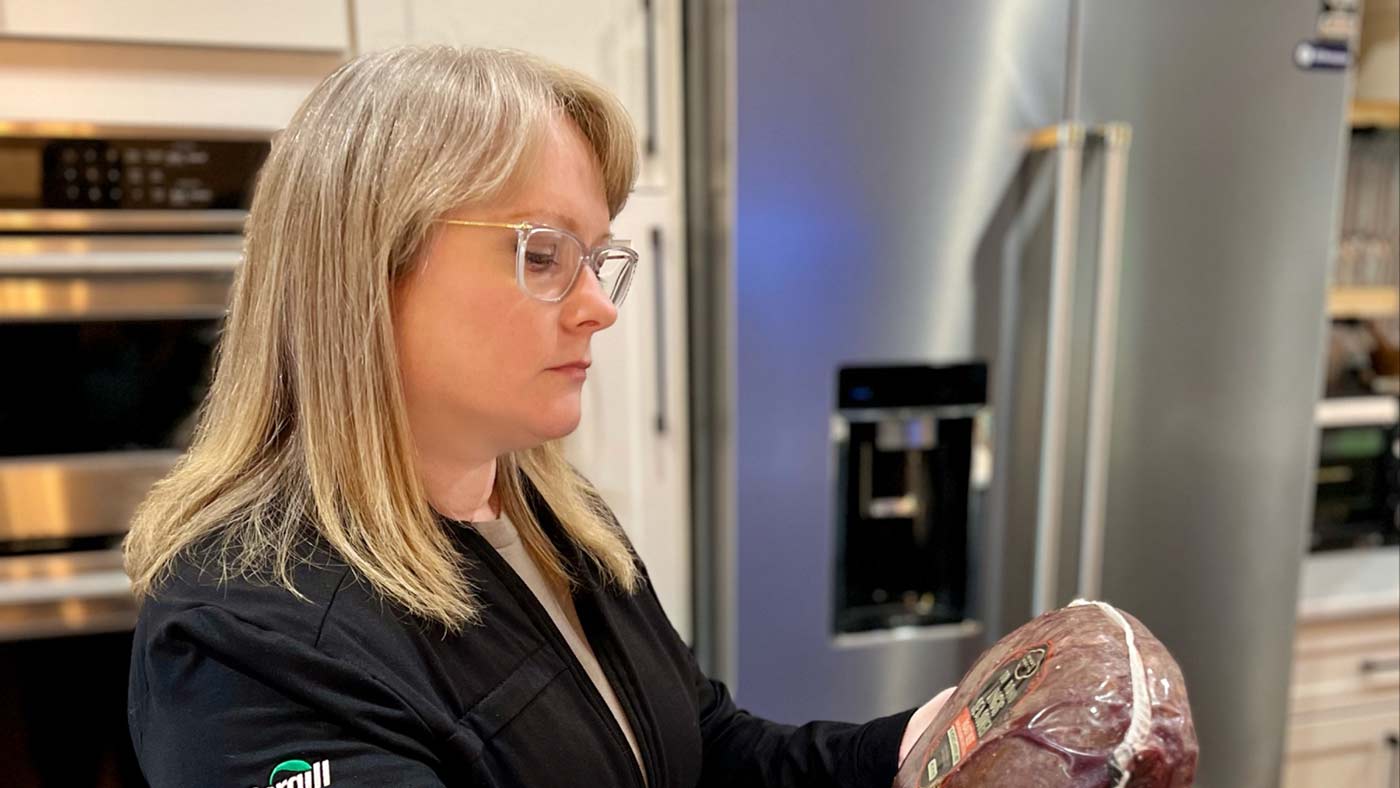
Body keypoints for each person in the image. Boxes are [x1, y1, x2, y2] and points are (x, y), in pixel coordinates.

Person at [123, 45, 950, 788]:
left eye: (597, 259)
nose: (599, 307)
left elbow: (702, 747)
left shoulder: (555, 518)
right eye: (544, 254)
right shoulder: (249, 639)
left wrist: (918, 748)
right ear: (369, 271)